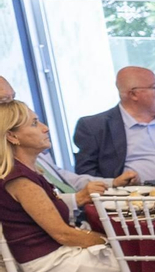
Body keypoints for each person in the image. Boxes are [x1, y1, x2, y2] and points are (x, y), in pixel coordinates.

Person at [0, 100, 120, 272]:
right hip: (50, 263)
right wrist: (108, 241)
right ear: (12, 137)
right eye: (34, 123)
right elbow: (63, 235)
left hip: (55, 256)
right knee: (137, 261)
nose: (45, 128)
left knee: (134, 256)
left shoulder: (27, 172)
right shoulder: (20, 179)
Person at [72, 65, 155, 184]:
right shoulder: (95, 126)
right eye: (154, 87)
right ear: (133, 94)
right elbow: (87, 176)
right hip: (137, 202)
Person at [0, 75, 102, 208]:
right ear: (11, 136)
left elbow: (60, 178)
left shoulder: (29, 144)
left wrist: (112, 183)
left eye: (13, 98)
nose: (13, 106)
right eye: (4, 101)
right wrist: (77, 198)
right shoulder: (11, 166)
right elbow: (38, 206)